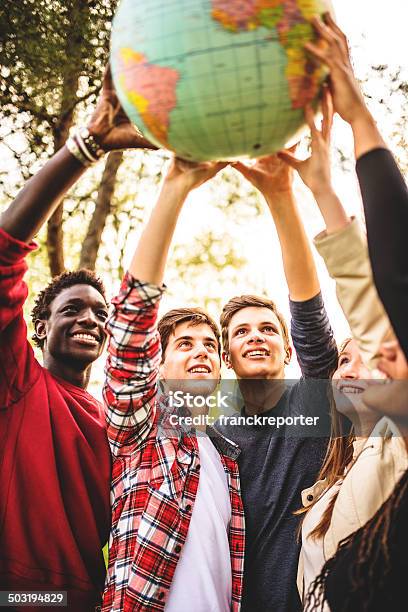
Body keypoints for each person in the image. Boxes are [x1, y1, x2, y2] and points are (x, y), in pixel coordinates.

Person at [0, 69, 155, 610]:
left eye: (100, 310)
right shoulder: (18, 381)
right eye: (72, 309)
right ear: (40, 327)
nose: (91, 318)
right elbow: (4, 250)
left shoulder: (119, 418)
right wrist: (85, 147)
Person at [279, 87, 407, 605]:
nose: (350, 365)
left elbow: (375, 300)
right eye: (343, 360)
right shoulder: (328, 481)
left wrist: (326, 194)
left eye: (368, 353)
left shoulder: (394, 442)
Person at [101, 157, 245, 612]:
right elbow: (129, 329)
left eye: (209, 345)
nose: (202, 351)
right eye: (185, 344)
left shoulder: (226, 459)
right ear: (158, 366)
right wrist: (175, 186)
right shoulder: (141, 429)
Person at [215, 147, 338, 611]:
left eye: (268, 329)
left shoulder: (315, 402)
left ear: (288, 349)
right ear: (227, 357)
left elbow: (308, 311)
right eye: (241, 332)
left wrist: (280, 195)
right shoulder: (213, 435)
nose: (256, 337)